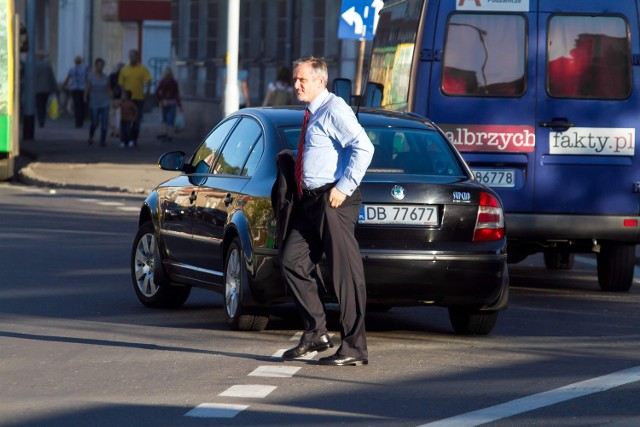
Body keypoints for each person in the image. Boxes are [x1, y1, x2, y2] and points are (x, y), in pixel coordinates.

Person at [280, 56, 374, 366]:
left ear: (321, 81)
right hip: (311, 202)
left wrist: (343, 187)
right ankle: (315, 334)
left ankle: (353, 347)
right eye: (296, 79)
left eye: (302, 80)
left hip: (334, 200)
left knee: (344, 274)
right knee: (291, 260)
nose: (296, 84)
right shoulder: (312, 112)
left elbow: (364, 147)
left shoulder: (335, 109)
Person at [118, 49, 151, 147]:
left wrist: (147, 91)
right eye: (130, 55)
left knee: (136, 120)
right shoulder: (124, 69)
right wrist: (123, 94)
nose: (132, 58)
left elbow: (148, 79)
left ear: (137, 57)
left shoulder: (142, 69)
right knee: (125, 120)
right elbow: (121, 83)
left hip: (138, 98)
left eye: (134, 56)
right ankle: (124, 140)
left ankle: (133, 139)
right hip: (127, 99)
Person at [154, 67, 182, 142]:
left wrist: (160, 99)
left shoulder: (162, 81)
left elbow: (157, 92)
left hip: (164, 102)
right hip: (172, 102)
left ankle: (165, 133)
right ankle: (169, 135)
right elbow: (176, 94)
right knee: (171, 119)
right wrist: (179, 105)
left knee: (165, 118)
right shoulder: (174, 82)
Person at [62, 55, 89, 128]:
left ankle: (77, 122)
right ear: (81, 61)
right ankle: (81, 121)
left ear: (75, 62)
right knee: (82, 105)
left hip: (74, 89)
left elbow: (67, 78)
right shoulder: (85, 69)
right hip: (83, 88)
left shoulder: (72, 69)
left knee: (76, 105)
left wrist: (63, 86)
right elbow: (87, 79)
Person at [34, 51, 58, 128]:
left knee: (39, 105)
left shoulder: (34, 65)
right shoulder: (48, 66)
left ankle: (40, 119)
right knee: (44, 105)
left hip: (37, 89)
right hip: (46, 89)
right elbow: (51, 77)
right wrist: (54, 88)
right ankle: (43, 119)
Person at [108, 62, 124, 138]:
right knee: (113, 114)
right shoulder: (113, 76)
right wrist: (112, 97)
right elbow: (109, 87)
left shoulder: (123, 77)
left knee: (117, 114)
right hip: (114, 97)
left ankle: (116, 130)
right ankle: (114, 130)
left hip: (119, 97)